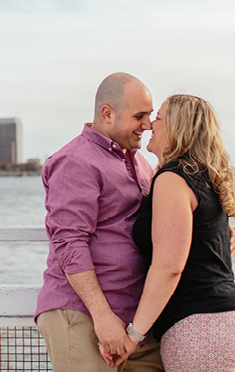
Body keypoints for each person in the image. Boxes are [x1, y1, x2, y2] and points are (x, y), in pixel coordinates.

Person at [113, 94, 235, 371]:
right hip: (224, 319)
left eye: (157, 118)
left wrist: (133, 335)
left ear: (178, 127)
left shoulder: (173, 179)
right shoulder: (202, 176)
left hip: (201, 326)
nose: (149, 125)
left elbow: (168, 267)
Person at [35, 72, 163, 372]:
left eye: (150, 116)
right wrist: (102, 317)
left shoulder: (139, 161)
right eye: (139, 116)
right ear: (108, 113)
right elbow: (69, 243)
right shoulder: (75, 161)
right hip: (83, 316)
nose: (147, 124)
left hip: (135, 323)